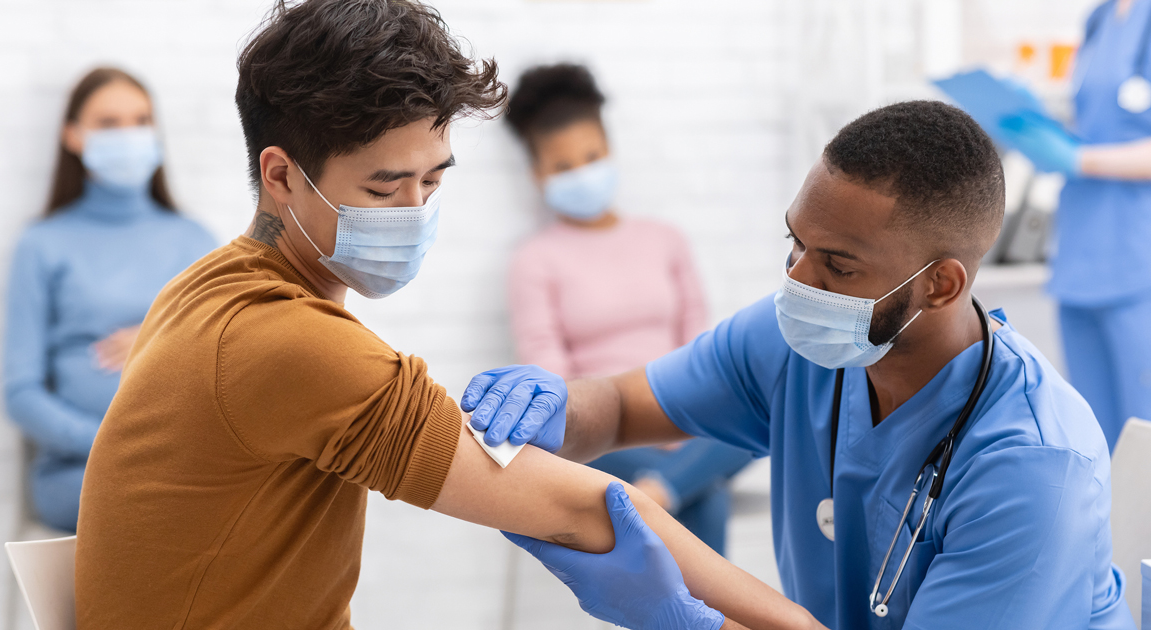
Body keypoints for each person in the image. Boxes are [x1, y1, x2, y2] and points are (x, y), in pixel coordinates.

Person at [73, 2, 827, 629]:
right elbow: (588, 508)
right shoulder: (289, 343)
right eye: (382, 189)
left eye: (432, 181)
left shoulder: (204, 288)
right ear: (282, 177)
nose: (413, 213)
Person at [465, 101, 1135, 629]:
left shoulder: (1031, 467)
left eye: (838, 265)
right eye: (796, 243)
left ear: (942, 285)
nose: (798, 282)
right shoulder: (794, 341)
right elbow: (616, 408)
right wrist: (557, 409)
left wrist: (687, 620)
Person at [500, 63, 755, 555]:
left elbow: (698, 347)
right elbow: (550, 377)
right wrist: (630, 425)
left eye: (592, 156)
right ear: (538, 174)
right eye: (563, 166)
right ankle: (676, 496)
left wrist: (677, 421)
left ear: (611, 151)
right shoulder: (533, 261)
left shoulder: (665, 240)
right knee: (707, 494)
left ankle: (656, 496)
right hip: (600, 436)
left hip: (682, 413)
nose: (582, 173)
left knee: (759, 413)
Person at [2, 67, 215, 533]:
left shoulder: (197, 242)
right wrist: (111, 443)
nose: (129, 135)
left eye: (141, 120)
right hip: (79, 471)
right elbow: (21, 393)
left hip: (183, 462)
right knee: (159, 510)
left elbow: (231, 359)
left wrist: (159, 334)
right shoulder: (42, 244)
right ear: (73, 137)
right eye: (108, 123)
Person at [993, 0, 1151, 452]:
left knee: (1144, 431)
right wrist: (1034, 125)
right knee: (1095, 434)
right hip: (1083, 252)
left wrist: (1080, 159)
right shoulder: (1100, 18)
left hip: (1139, 254)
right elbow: (1096, 123)